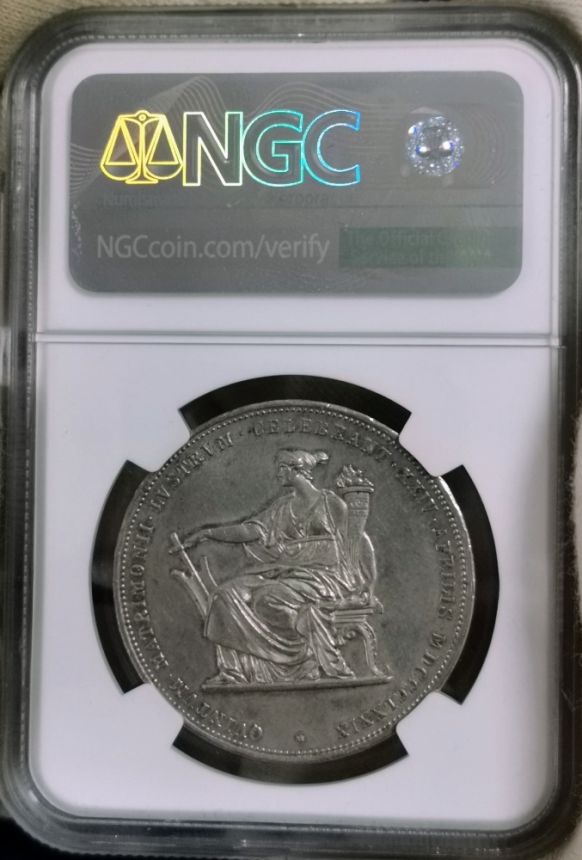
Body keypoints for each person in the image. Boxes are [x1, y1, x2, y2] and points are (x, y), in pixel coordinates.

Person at [181, 448, 377, 686]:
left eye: (282, 469)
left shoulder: (330, 504)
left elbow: (359, 540)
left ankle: (301, 661)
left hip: (324, 578)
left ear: (296, 470)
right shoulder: (282, 507)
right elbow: (250, 530)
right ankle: (233, 672)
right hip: (285, 573)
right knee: (225, 594)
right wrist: (209, 533)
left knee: (268, 597)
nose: (278, 474)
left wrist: (369, 582)